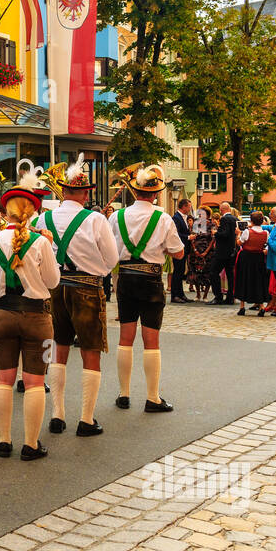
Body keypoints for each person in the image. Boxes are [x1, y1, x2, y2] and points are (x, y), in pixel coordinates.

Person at [42, 159, 119, 437]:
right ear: (86, 193)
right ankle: (86, 419)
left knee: (56, 348)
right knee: (90, 351)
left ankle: (57, 414)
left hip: (54, 288)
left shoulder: (43, 218)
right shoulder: (96, 219)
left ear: (62, 190)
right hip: (87, 287)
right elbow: (111, 261)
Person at [0, 176, 58, 459]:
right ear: (32, 212)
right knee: (35, 381)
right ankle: (31, 444)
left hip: (1, 316)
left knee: (2, 378)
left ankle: (4, 441)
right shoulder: (40, 242)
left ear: (6, 212)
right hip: (38, 320)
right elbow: (52, 282)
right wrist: (50, 247)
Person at [109, 165, 183, 413]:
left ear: (134, 191)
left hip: (126, 278)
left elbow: (109, 250)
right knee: (151, 340)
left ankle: (123, 394)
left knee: (125, 338)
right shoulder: (162, 218)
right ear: (155, 194)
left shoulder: (116, 217)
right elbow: (179, 252)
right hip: (151, 279)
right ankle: (152, 398)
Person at [234, 212, 271, 314]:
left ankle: (242, 306)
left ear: (251, 221)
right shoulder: (266, 233)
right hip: (259, 258)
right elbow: (266, 245)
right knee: (259, 281)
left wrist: (238, 234)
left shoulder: (247, 232)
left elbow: (239, 243)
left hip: (246, 258)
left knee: (244, 280)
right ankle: (261, 306)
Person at [209, 203, 238, 305]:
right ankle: (230, 297)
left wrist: (215, 233)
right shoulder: (235, 219)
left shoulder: (225, 219)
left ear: (221, 209)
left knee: (213, 271)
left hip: (222, 252)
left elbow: (225, 234)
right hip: (231, 251)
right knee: (230, 274)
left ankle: (218, 296)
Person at [187, 209, 216, 302]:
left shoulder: (212, 225)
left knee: (207, 273)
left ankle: (205, 295)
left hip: (208, 252)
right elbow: (192, 237)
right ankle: (198, 294)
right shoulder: (196, 225)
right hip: (195, 251)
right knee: (195, 273)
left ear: (207, 215)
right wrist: (195, 249)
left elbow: (213, 239)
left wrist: (206, 251)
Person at [170, 199, 192, 304]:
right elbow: (176, 234)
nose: (190, 209)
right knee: (177, 272)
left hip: (184, 248)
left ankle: (181, 294)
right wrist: (188, 237)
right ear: (183, 207)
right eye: (189, 207)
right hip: (178, 248)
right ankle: (175, 295)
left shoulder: (184, 217)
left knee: (181, 271)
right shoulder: (176, 218)